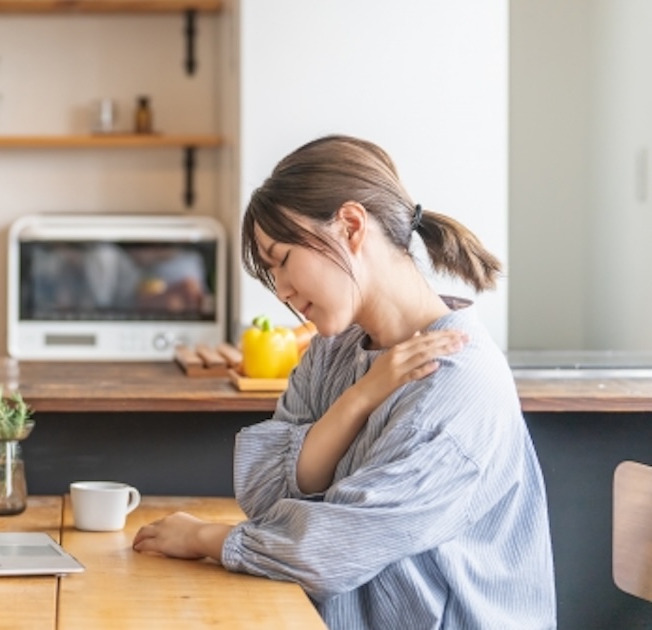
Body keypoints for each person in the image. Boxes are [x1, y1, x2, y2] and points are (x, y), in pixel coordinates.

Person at [132, 135, 556, 629]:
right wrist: (360, 397)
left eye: (283, 260)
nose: (284, 292)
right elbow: (265, 492)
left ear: (351, 226)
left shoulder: (454, 383)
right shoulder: (333, 352)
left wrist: (205, 538)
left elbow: (326, 552)